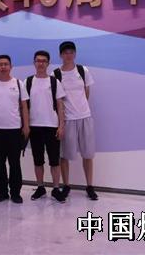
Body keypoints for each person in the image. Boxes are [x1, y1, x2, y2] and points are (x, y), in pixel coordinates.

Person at [55, 41, 98, 201]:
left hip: (85, 117)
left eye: (71, 52)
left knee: (88, 154)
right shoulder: (56, 74)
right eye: (65, 52)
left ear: (75, 53)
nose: (69, 55)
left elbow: (86, 92)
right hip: (68, 120)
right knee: (65, 155)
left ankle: (90, 186)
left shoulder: (82, 70)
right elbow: (58, 100)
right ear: (61, 55)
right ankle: (66, 185)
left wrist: (81, 108)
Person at [0, 54, 29, 203]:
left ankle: (16, 193)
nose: (3, 67)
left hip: (14, 129)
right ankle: (2, 192)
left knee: (15, 163)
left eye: (6, 64)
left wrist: (26, 126)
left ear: (11, 66)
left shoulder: (18, 84)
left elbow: (24, 106)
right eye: (0, 64)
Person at [24, 50, 66, 202]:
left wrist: (61, 126)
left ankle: (56, 188)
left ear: (48, 63)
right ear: (34, 63)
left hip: (52, 126)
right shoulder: (28, 82)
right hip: (34, 127)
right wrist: (25, 126)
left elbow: (60, 106)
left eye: (43, 61)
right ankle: (40, 187)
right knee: (38, 160)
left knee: (54, 160)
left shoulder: (54, 82)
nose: (40, 63)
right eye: (38, 60)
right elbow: (24, 106)